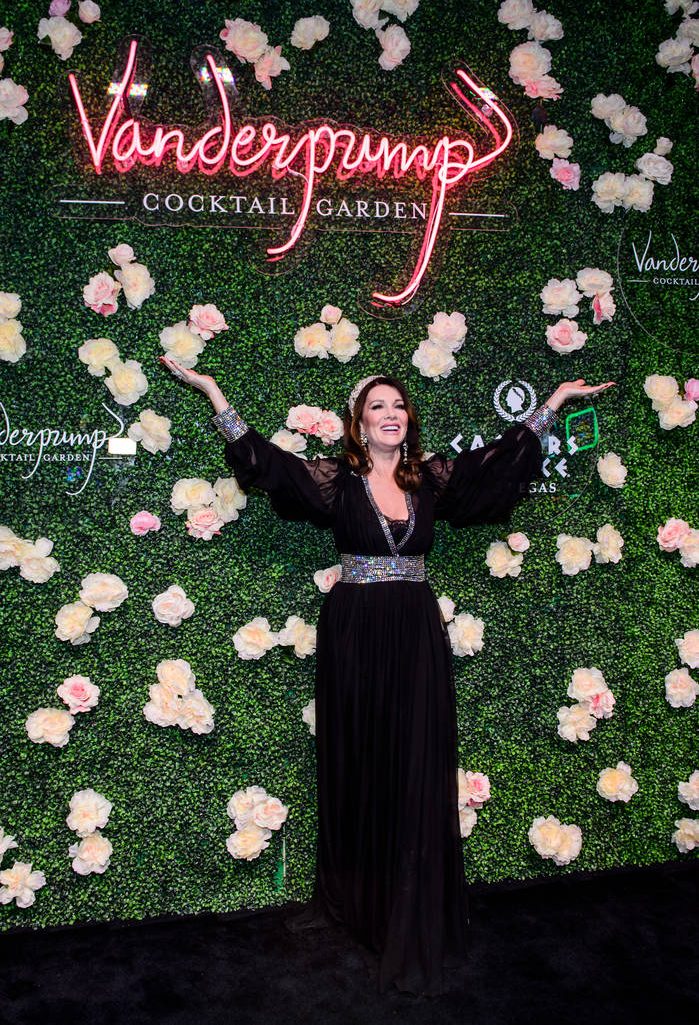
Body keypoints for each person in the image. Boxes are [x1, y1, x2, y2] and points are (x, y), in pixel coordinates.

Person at [159, 355, 614, 996]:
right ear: (358, 424)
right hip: (354, 634)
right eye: (378, 406)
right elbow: (268, 465)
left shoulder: (430, 479)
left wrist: (556, 401)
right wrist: (211, 390)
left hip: (414, 632)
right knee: (363, 761)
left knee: (414, 763)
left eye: (399, 406)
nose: (391, 414)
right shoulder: (334, 483)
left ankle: (409, 905)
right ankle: (361, 901)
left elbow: (494, 465)